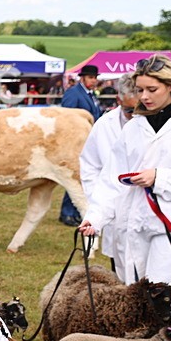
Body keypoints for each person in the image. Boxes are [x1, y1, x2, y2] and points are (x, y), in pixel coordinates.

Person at [82, 55, 171, 313]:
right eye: (140, 90)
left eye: (152, 89)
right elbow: (112, 177)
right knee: (140, 295)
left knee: (166, 294)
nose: (145, 97)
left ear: (170, 86)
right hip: (138, 222)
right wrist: (96, 217)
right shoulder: (135, 126)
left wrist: (160, 177)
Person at [74, 75, 140, 270]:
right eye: (129, 110)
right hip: (113, 210)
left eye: (140, 109)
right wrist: (98, 203)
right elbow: (90, 165)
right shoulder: (105, 125)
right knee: (120, 272)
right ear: (119, 100)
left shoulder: (150, 125)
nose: (135, 115)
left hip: (144, 209)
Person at [58, 64, 104, 226]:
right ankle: (67, 213)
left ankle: (74, 211)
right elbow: (66, 117)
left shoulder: (91, 95)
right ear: (82, 78)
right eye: (91, 77)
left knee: (83, 177)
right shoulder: (73, 93)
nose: (94, 80)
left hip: (90, 140)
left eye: (95, 78)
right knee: (75, 176)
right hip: (76, 142)